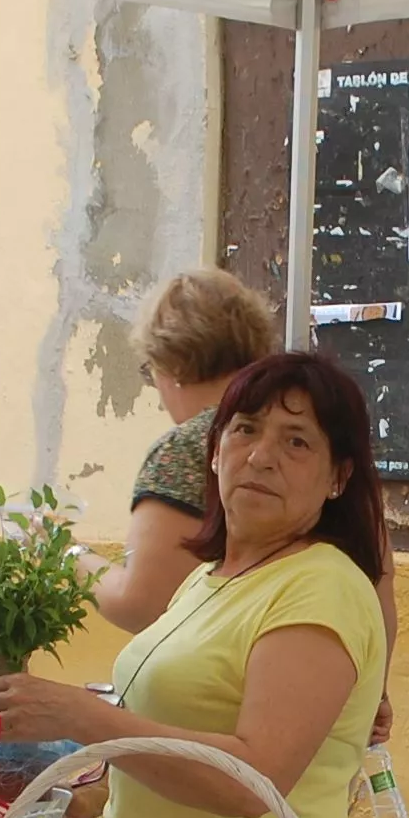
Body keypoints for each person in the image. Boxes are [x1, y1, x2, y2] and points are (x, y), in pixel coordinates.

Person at [0, 350, 390, 818]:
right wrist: (89, 800)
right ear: (216, 449)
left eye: (297, 442)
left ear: (338, 477)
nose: (261, 456)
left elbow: (254, 782)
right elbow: (180, 722)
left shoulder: (320, 589)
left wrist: (82, 718)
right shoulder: (210, 577)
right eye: (245, 430)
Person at [90, 270, 277, 634]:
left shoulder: (187, 448)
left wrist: (65, 555)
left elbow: (143, 606)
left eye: (150, 369)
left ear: (172, 365)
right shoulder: (309, 433)